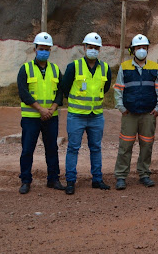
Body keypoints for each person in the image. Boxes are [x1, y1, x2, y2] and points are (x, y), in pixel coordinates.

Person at [113, 34, 158, 190]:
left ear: (147, 49)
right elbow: (118, 89)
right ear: (133, 50)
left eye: (144, 47)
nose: (141, 50)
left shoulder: (155, 67)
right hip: (129, 114)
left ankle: (144, 174)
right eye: (138, 47)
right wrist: (121, 108)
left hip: (148, 114)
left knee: (147, 145)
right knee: (125, 146)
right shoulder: (124, 67)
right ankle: (121, 176)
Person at [62, 32, 112, 195]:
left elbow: (105, 88)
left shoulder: (105, 68)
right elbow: (65, 88)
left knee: (96, 148)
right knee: (73, 148)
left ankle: (97, 179)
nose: (93, 50)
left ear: (100, 50)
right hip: (76, 115)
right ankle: (70, 181)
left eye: (96, 48)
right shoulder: (73, 67)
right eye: (90, 47)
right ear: (84, 48)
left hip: (96, 115)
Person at [16, 32, 64, 194]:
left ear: (50, 50)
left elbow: (60, 91)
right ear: (35, 49)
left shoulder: (55, 69)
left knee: (52, 149)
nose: (44, 51)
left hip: (51, 117)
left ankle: (53, 179)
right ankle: (25, 180)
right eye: (41, 48)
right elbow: (24, 93)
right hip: (31, 117)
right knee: (27, 150)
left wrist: (53, 107)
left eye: (47, 49)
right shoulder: (25, 69)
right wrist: (41, 109)